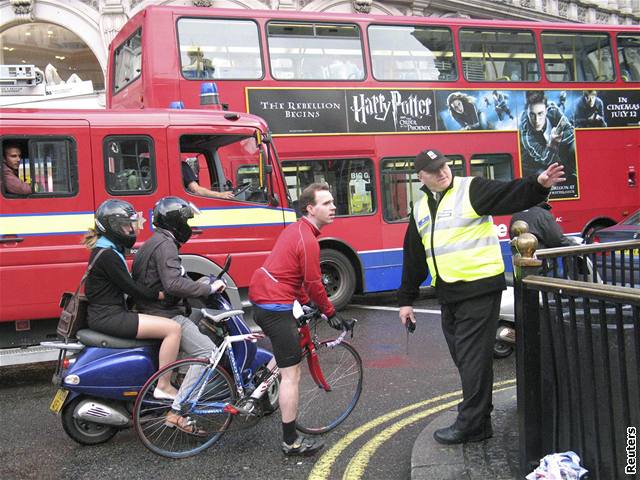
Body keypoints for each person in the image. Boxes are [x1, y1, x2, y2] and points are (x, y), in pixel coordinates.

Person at [397, 149, 565, 445]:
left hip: (479, 288)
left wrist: (538, 184)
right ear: (421, 177)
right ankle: (480, 419)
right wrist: (406, 300)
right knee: (464, 358)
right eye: (434, 170)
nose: (442, 172)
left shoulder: (470, 189)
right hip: (449, 293)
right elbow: (413, 255)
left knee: (472, 358)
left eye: (444, 166)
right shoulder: (421, 206)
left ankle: (471, 424)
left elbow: (508, 193)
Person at [248, 182, 354, 456]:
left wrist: (306, 303)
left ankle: (259, 387)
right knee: (291, 374)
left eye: (333, 202)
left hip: (267, 297)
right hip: (275, 305)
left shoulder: (296, 229)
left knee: (287, 348)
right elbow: (314, 283)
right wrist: (331, 313)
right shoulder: (308, 239)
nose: (333, 207)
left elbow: (291, 275)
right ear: (310, 208)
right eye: (326, 203)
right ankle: (290, 441)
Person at [132, 196, 226, 434]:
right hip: (165, 314)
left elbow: (168, 279)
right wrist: (207, 288)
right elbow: (173, 283)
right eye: (185, 220)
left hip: (153, 309)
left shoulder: (154, 242)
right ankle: (179, 409)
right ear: (175, 222)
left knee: (200, 320)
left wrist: (199, 281)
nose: (189, 226)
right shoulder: (167, 246)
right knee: (208, 352)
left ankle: (184, 378)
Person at [83, 199, 182, 399]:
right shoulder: (108, 256)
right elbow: (131, 288)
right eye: (126, 226)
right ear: (112, 227)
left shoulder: (104, 250)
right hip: (109, 317)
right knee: (173, 329)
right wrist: (160, 294)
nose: (131, 230)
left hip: (105, 314)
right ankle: (164, 386)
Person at [519, 90, 575, 179]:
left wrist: (559, 138)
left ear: (546, 110)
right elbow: (544, 159)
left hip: (558, 151)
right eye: (532, 115)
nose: (537, 120)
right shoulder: (526, 134)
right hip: (535, 164)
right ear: (527, 112)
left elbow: (571, 131)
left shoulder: (552, 109)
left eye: (540, 114)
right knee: (546, 179)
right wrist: (552, 144)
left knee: (574, 147)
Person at [510, 201, 574, 250]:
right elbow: (557, 240)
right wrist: (577, 246)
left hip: (520, 262)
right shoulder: (542, 214)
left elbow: (512, 236)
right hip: (541, 262)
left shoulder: (516, 215)